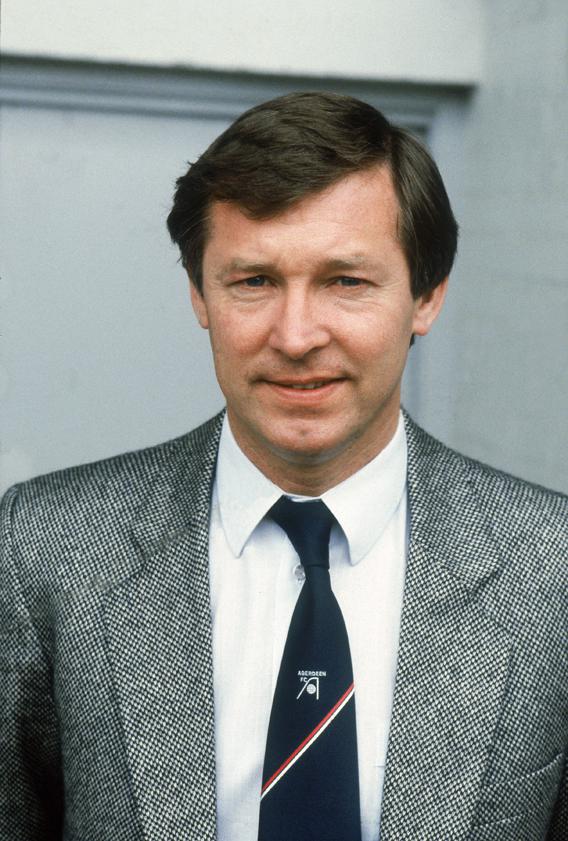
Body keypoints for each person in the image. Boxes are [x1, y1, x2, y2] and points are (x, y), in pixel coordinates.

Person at [0, 92, 565, 841]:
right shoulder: (44, 549)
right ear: (201, 294)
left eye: (346, 281)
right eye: (255, 281)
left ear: (426, 296)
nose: (296, 335)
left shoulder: (551, 569)